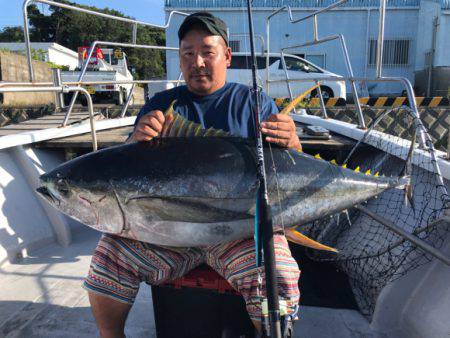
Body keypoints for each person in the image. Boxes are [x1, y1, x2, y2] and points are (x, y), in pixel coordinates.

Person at [84, 12, 301, 338]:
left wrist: (292, 140)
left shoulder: (253, 103)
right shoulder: (161, 106)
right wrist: (134, 140)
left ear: (226, 56)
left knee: (278, 272)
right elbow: (128, 172)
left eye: (207, 52)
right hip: (168, 231)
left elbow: (287, 169)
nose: (197, 61)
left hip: (238, 231)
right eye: (187, 53)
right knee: (108, 257)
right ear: (180, 59)